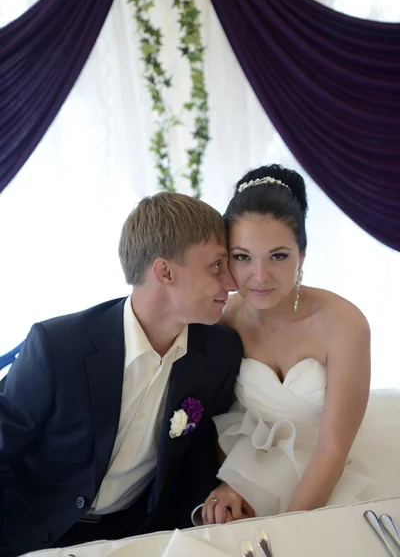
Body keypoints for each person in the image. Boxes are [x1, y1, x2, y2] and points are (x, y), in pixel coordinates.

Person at [0, 192, 251, 557]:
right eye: (216, 265)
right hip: (38, 534)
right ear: (164, 271)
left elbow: (195, 456)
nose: (231, 281)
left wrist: (218, 498)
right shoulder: (58, 346)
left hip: (141, 535)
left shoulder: (219, 351)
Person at [201, 164, 400, 525]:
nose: (259, 277)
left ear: (302, 255)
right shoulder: (225, 317)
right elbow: (231, 419)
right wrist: (234, 481)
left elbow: (333, 448)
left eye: (278, 256)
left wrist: (288, 530)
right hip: (258, 469)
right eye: (243, 256)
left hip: (336, 470)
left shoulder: (344, 324)